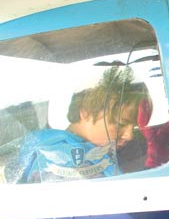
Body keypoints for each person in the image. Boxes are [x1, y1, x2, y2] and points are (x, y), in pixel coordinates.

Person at [9, 66, 151, 183]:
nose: (130, 135)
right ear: (86, 112)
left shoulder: (90, 150)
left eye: (134, 126)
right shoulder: (64, 160)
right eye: (120, 124)